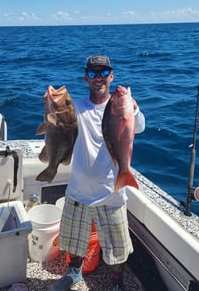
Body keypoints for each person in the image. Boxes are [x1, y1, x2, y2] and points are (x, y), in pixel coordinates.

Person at [49, 55, 145, 291]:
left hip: (111, 193)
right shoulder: (78, 107)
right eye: (92, 73)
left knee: (118, 249)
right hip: (78, 191)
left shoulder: (123, 107)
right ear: (86, 78)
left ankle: (116, 281)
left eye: (103, 73)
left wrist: (135, 108)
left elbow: (139, 127)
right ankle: (74, 274)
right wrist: (51, 105)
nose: (98, 78)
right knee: (73, 243)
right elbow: (59, 120)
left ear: (111, 76)